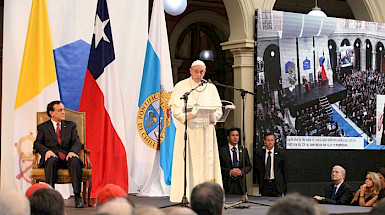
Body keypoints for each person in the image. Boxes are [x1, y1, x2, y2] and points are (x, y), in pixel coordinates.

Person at [169, 60, 223, 202]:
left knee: (207, 163)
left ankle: (209, 195)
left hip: (206, 131)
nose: (199, 75)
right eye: (196, 71)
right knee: (188, 162)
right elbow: (175, 110)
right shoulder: (181, 87)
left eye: (202, 72)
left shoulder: (210, 88)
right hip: (189, 131)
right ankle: (186, 193)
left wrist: (213, 117)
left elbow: (219, 110)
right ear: (190, 71)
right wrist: (187, 116)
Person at [33, 100, 84, 208]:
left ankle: (77, 197)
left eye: (63, 109)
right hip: (53, 157)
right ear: (52, 113)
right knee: (50, 161)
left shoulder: (71, 126)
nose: (63, 112)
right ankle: (51, 198)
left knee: (75, 160)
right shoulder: (43, 127)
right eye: (60, 110)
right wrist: (46, 151)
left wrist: (72, 152)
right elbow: (37, 144)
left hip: (67, 157)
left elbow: (77, 141)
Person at [218, 127, 252, 195]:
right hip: (227, 184)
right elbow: (218, 167)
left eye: (237, 135)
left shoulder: (243, 149)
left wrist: (241, 171)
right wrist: (230, 172)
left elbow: (249, 166)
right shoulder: (221, 150)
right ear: (228, 137)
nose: (235, 137)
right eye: (233, 135)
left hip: (241, 185)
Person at [255, 132, 287, 197]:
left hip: (276, 186)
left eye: (272, 140)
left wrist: (285, 188)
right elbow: (258, 171)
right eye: (268, 140)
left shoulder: (281, 154)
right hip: (264, 185)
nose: (270, 142)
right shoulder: (260, 154)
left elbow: (284, 171)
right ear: (265, 141)